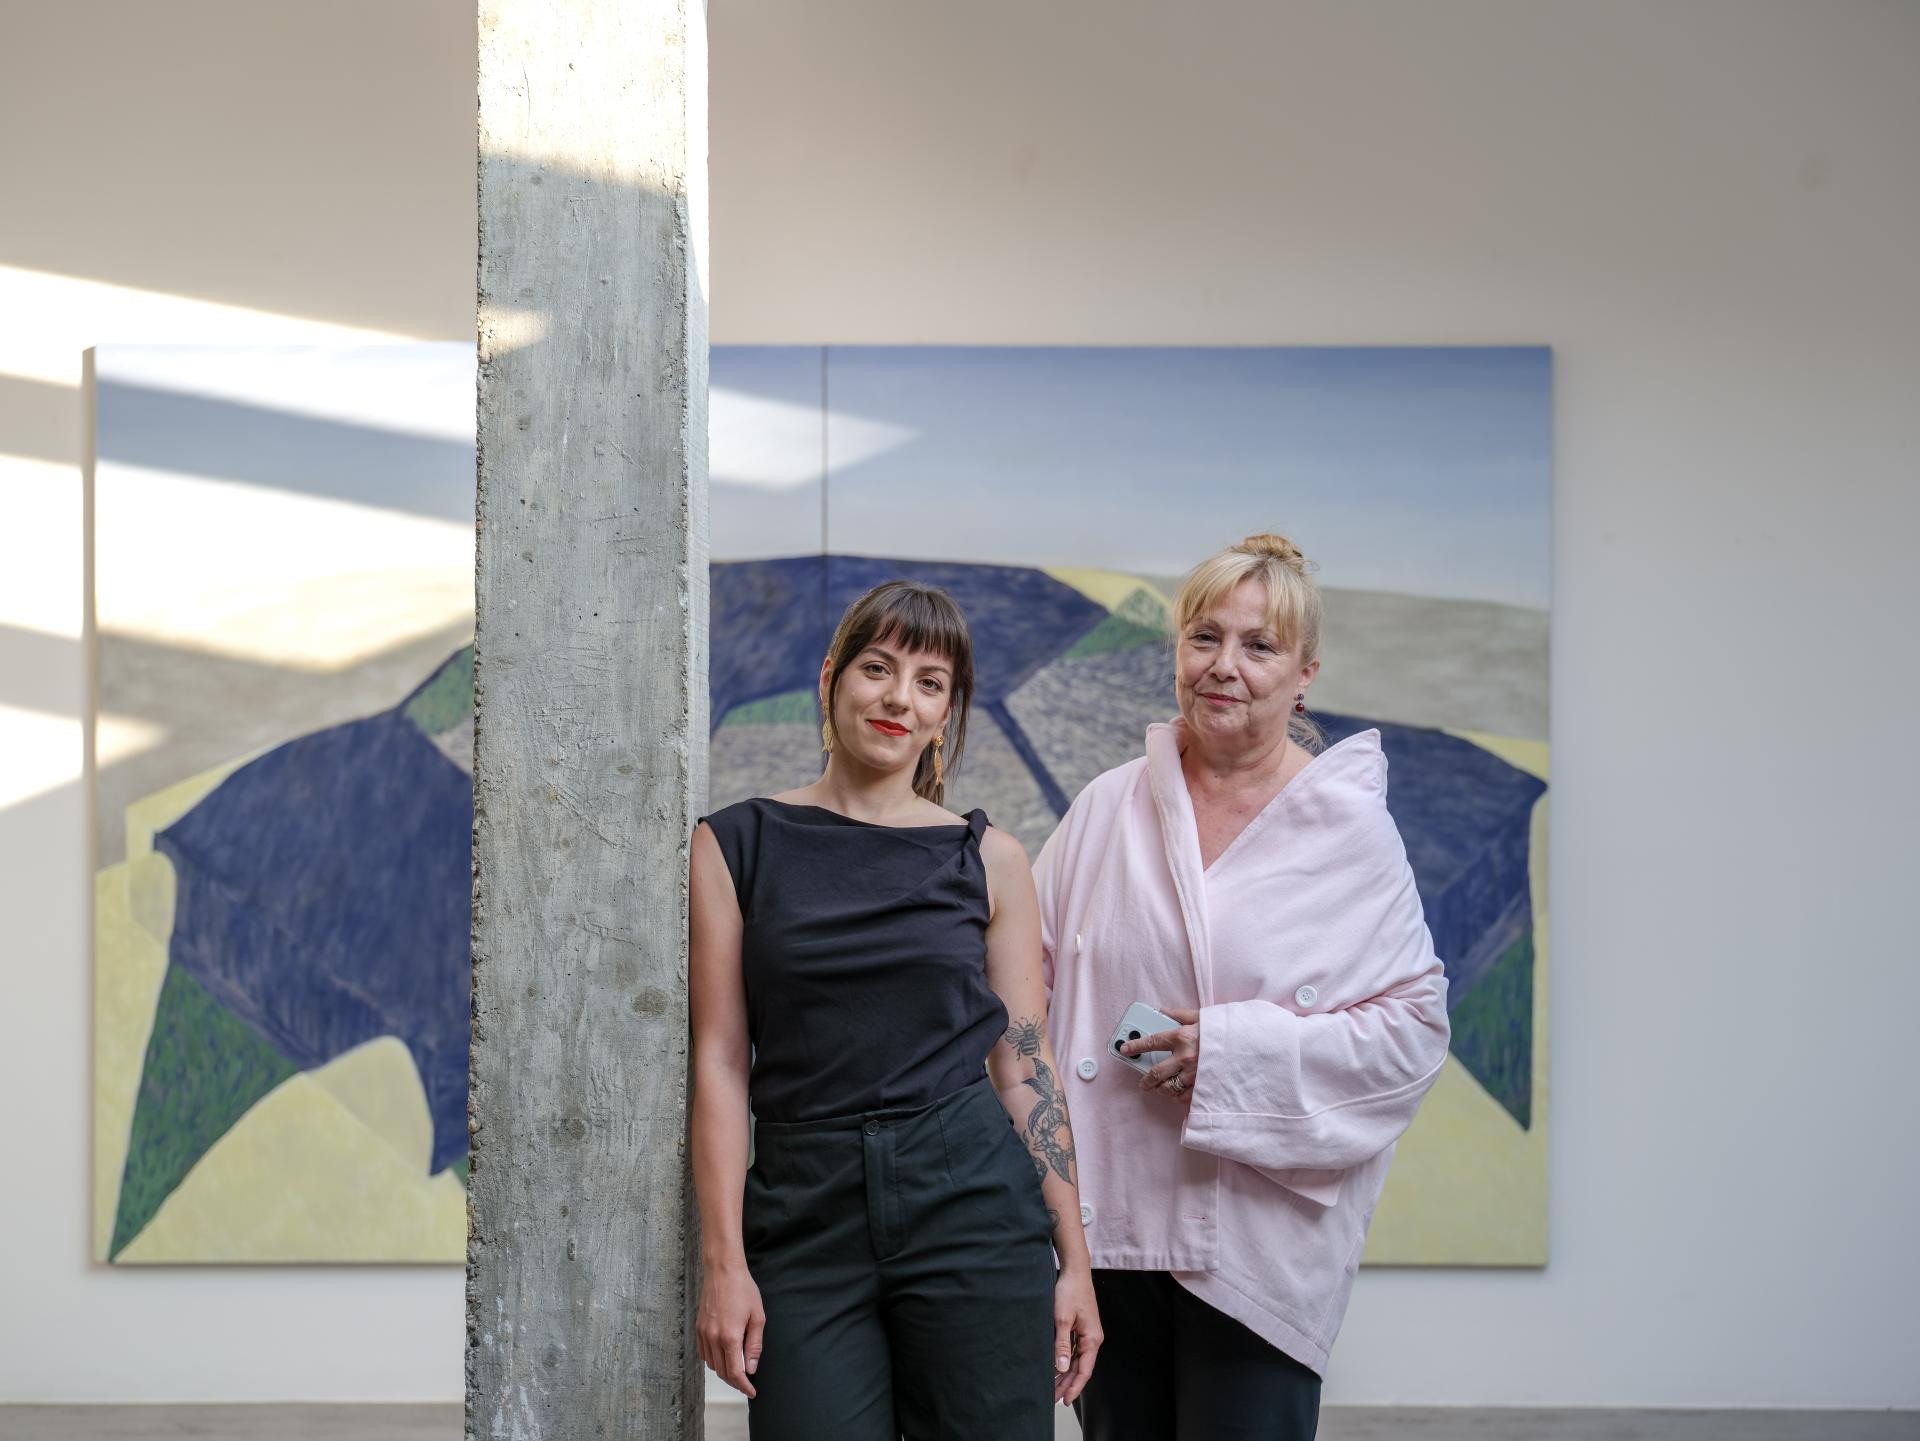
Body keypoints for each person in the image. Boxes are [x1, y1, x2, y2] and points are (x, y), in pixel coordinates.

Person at [1035, 533, 1451, 1439]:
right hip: (1112, 1232)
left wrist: (1230, 1052)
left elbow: (1413, 1034)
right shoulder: (1106, 807)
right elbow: (1024, 993)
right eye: (1205, 636)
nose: (1225, 665)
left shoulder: (1348, 830)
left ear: (1304, 675)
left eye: (1259, 646)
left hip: (1256, 1251)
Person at [690, 579, 1102, 1440]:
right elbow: (721, 1061)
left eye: (929, 682)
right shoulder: (733, 844)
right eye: (877, 668)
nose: (898, 698)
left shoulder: (989, 859)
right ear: (831, 677)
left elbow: (1025, 1066)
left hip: (973, 1203)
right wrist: (723, 1260)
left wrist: (1075, 1260)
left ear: (947, 713)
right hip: (804, 1214)